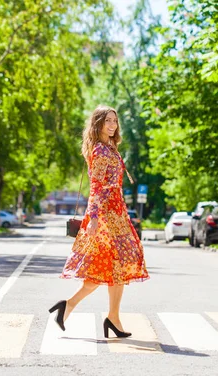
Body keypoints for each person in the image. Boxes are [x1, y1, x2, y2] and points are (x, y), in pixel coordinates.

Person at [49, 105, 149, 338]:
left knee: (112, 268)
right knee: (113, 265)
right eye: (108, 121)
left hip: (117, 212)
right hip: (105, 217)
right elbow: (96, 187)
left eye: (115, 121)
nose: (113, 125)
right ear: (98, 124)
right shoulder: (100, 151)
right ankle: (106, 316)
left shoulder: (109, 148)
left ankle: (88, 311)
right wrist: (93, 218)